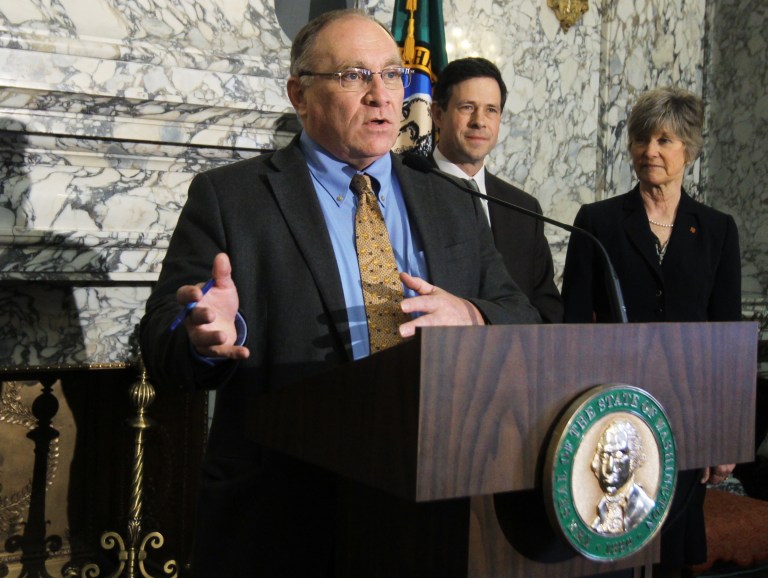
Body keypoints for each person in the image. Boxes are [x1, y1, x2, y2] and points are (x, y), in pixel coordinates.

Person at [139, 9, 540, 577]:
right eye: (354, 76)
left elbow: (522, 316)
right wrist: (203, 337)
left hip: (436, 506)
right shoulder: (231, 199)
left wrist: (472, 317)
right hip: (284, 518)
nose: (382, 96)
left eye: (393, 75)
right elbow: (160, 338)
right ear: (299, 95)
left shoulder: (451, 202)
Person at [561, 86, 740, 574]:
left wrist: (722, 434)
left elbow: (725, 338)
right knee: (614, 546)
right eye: (642, 139)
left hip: (687, 411)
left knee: (672, 551)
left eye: (664, 139)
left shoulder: (719, 228)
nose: (650, 151)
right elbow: (573, 326)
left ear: (689, 149)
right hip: (611, 416)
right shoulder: (597, 221)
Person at [430, 57, 563, 323]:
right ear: (437, 114)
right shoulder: (403, 189)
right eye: (468, 107)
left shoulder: (524, 210)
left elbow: (547, 311)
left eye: (491, 110)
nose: (480, 121)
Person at [591, 420, 655, 535]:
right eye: (605, 456)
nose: (609, 468)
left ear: (633, 459)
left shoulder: (644, 508)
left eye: (618, 455)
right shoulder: (602, 508)